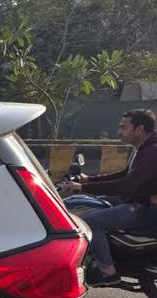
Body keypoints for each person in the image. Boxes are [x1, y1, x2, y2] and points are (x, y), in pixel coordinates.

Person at [62, 109, 157, 285]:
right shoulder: (143, 148)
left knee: (90, 222)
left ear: (139, 129)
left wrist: (83, 187)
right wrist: (90, 179)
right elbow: (124, 174)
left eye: (124, 127)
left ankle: (107, 272)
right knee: (96, 203)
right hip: (134, 198)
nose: (119, 131)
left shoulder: (151, 151)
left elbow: (127, 184)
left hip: (142, 207)